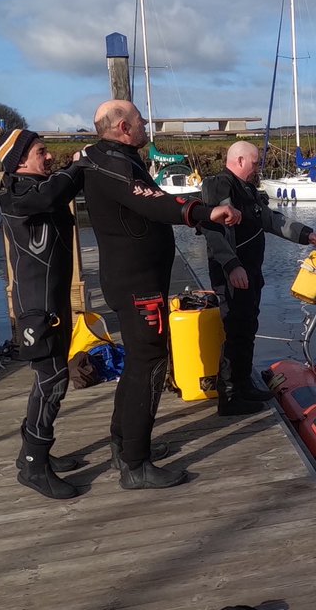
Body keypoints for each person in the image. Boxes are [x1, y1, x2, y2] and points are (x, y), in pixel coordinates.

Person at [80, 101, 241, 490]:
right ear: (123, 126)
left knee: (139, 362)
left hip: (138, 279)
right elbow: (153, 203)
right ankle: (136, 464)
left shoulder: (116, 158)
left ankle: (123, 446)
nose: (146, 125)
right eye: (140, 121)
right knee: (149, 364)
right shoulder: (111, 164)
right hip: (136, 285)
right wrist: (206, 212)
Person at [200, 141, 316, 415]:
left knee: (248, 327)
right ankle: (230, 396)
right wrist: (232, 265)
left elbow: (270, 219)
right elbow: (214, 231)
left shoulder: (248, 190)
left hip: (251, 272)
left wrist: (306, 234)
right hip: (231, 272)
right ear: (240, 160)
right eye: (255, 163)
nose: (258, 168)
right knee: (235, 329)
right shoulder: (220, 186)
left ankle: (244, 383)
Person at [0, 129, 85, 499]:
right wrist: (79, 165)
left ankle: (34, 453)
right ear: (19, 161)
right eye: (41, 152)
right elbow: (53, 193)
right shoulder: (16, 195)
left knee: (49, 377)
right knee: (53, 380)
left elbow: (55, 191)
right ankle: (34, 465)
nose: (49, 157)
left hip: (53, 301)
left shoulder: (35, 190)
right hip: (38, 307)